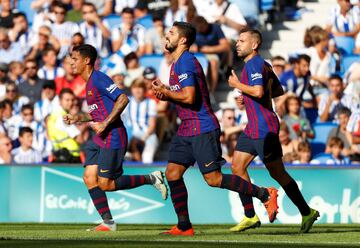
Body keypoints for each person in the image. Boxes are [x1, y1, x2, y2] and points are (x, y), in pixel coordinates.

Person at [152, 22, 278, 236]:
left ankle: (265, 194)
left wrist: (167, 93)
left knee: (213, 179)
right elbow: (182, 96)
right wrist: (166, 91)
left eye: (171, 33)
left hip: (202, 127)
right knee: (172, 174)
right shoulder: (176, 65)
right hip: (187, 128)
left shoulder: (186, 62)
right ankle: (184, 226)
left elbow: (189, 97)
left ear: (183, 40)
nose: (167, 35)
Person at [65, 44, 168, 231]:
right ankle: (108, 222)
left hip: (113, 135)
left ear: (87, 60)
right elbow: (97, 113)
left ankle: (151, 178)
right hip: (100, 138)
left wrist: (105, 124)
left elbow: (123, 99)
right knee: (89, 177)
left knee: (106, 184)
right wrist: (78, 117)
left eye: (74, 59)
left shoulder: (98, 78)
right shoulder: (88, 84)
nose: (71, 62)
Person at [227, 27, 319, 233]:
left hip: (263, 126)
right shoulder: (263, 65)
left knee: (277, 172)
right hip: (253, 126)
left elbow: (259, 91)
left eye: (242, 41)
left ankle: (306, 212)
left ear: (254, 44)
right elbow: (277, 90)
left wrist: (238, 85)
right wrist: (248, 97)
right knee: (237, 167)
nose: (237, 44)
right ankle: (250, 216)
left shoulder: (254, 64)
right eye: (238, 41)